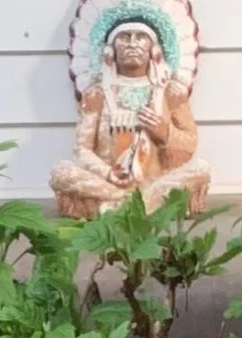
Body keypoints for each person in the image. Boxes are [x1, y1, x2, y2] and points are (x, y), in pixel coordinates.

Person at [50, 18, 209, 219]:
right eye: (124, 37)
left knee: (201, 169)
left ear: (155, 49)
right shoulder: (96, 94)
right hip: (110, 182)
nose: (132, 43)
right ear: (110, 50)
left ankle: (119, 206)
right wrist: (108, 173)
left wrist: (163, 131)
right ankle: (140, 205)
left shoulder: (171, 92)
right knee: (61, 172)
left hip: (154, 182)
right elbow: (82, 150)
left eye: (141, 37)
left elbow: (189, 144)